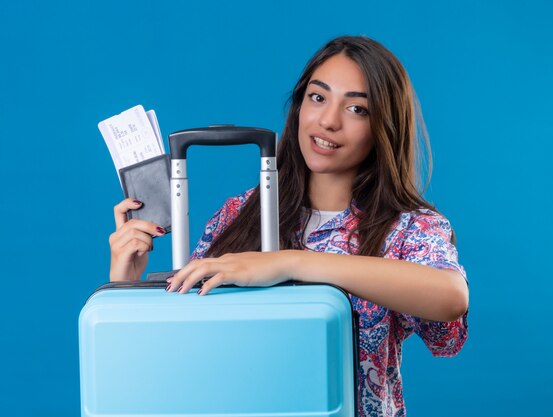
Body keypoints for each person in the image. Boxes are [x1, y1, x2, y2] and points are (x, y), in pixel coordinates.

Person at [109, 35, 469, 417]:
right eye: (318, 98)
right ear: (298, 105)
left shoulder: (408, 228)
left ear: (384, 125)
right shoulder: (238, 213)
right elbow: (178, 353)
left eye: (357, 109)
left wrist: (289, 263)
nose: (329, 121)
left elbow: (450, 297)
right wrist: (125, 284)